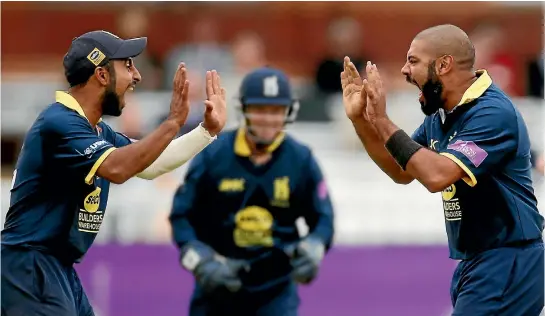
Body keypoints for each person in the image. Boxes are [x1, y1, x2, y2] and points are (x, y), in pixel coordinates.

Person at [1, 30, 227, 316]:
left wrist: (206, 131)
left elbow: (150, 164)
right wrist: (171, 123)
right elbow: (118, 168)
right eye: (128, 65)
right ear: (102, 75)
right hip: (30, 268)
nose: (136, 77)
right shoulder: (58, 122)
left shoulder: (95, 129)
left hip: (56, 268)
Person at [341, 24, 544, 315]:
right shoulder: (443, 115)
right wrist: (362, 121)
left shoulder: (491, 113)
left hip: (508, 261)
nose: (403, 70)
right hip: (477, 262)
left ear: (444, 64)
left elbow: (438, 176)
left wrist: (383, 120)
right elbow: (402, 170)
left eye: (413, 61)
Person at [169, 67, 334, 316]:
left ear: (289, 112)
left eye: (276, 111)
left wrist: (314, 247)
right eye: (260, 109)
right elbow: (181, 216)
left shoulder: (301, 160)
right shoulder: (213, 156)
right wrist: (200, 261)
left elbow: (324, 218)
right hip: (216, 287)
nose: (268, 119)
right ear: (244, 109)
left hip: (276, 292)